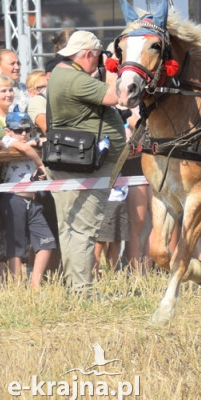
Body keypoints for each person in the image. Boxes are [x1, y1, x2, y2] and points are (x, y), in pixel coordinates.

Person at [46, 30, 126, 294]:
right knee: (84, 228)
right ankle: (82, 291)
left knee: (70, 227)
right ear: (88, 54)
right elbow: (116, 96)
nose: (99, 61)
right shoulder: (74, 79)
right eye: (98, 56)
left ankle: (75, 287)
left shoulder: (62, 72)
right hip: (86, 165)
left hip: (72, 163)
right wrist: (114, 67)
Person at [0, 107, 57, 288]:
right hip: (13, 199)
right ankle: (16, 284)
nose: (24, 133)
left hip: (32, 201)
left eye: (27, 130)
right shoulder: (8, 140)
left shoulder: (29, 139)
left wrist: (38, 142)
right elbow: (23, 146)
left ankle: (34, 284)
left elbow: (46, 140)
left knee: (47, 242)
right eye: (19, 130)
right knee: (16, 246)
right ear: (8, 131)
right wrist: (40, 164)